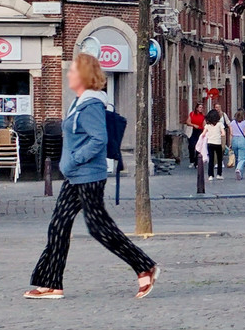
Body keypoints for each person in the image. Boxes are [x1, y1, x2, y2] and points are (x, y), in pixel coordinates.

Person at [25, 53, 155, 300]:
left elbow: (99, 139)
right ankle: (51, 282)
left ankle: (144, 266)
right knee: (58, 225)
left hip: (88, 176)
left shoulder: (91, 104)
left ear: (83, 75)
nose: (69, 74)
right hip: (76, 176)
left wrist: (73, 160)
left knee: (98, 227)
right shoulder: (79, 102)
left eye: (73, 70)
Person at [203, 108, 228, 180]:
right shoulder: (220, 124)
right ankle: (219, 174)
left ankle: (210, 175)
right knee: (219, 159)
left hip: (210, 143)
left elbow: (203, 134)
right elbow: (223, 133)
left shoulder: (207, 125)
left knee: (211, 159)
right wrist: (218, 135)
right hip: (217, 143)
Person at [231, 114, 245, 181]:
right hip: (242, 140)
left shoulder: (233, 122)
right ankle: (238, 169)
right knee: (242, 158)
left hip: (234, 140)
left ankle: (240, 174)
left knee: (237, 157)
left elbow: (231, 133)